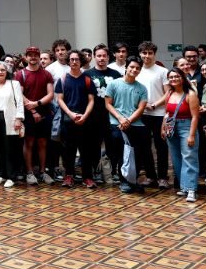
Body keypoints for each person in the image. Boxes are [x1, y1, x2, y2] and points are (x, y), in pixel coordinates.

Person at [105, 57, 149, 194]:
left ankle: (133, 181)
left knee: (137, 156)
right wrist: (120, 119)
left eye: (137, 68)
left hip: (136, 124)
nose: (134, 70)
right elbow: (108, 104)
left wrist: (128, 120)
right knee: (122, 154)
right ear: (126, 67)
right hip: (117, 124)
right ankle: (124, 182)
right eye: (132, 67)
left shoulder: (142, 88)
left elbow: (141, 108)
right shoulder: (114, 84)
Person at [55, 51, 95, 189]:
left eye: (77, 59)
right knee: (68, 151)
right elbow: (60, 99)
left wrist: (85, 116)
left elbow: (91, 100)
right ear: (68, 61)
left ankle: (87, 177)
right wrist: (70, 114)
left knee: (86, 150)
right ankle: (69, 176)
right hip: (68, 121)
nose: (74, 62)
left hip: (85, 121)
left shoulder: (87, 79)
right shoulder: (63, 79)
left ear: (81, 61)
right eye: (71, 59)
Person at [16, 47, 54, 185]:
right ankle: (30, 172)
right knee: (29, 142)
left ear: (39, 57)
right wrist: (33, 110)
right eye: (30, 55)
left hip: (44, 112)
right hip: (27, 114)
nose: (33, 57)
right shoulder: (20, 74)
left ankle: (43, 172)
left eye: (35, 55)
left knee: (43, 142)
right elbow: (19, 94)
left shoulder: (46, 74)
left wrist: (37, 104)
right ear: (26, 57)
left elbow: (50, 94)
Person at [84, 44, 122, 184]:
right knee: (94, 145)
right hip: (94, 116)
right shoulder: (87, 74)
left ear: (108, 57)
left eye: (104, 56)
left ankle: (113, 171)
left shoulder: (115, 74)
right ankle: (97, 171)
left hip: (111, 115)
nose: (101, 58)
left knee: (113, 144)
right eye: (99, 56)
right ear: (94, 57)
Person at [0, 60, 24, 188]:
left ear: (7, 72)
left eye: (3, 70)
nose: (0, 72)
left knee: (10, 148)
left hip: (10, 119)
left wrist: (18, 119)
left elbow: (19, 102)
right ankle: (3, 174)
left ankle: (11, 177)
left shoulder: (14, 84)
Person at [136, 41, 170, 188]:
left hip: (159, 113)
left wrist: (155, 104)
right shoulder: (136, 70)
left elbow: (168, 93)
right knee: (144, 146)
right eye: (144, 53)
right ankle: (151, 176)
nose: (147, 56)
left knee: (161, 146)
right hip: (141, 113)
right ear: (140, 54)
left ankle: (162, 177)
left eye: (150, 53)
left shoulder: (162, 71)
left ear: (154, 54)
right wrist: (143, 105)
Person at [163, 68, 201, 201]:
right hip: (171, 127)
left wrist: (191, 135)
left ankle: (191, 189)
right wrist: (163, 128)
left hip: (187, 126)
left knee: (189, 157)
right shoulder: (169, 93)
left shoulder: (190, 94)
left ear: (182, 78)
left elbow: (195, 116)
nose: (173, 79)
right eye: (171, 77)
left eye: (176, 76)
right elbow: (167, 113)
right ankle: (184, 187)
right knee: (176, 158)